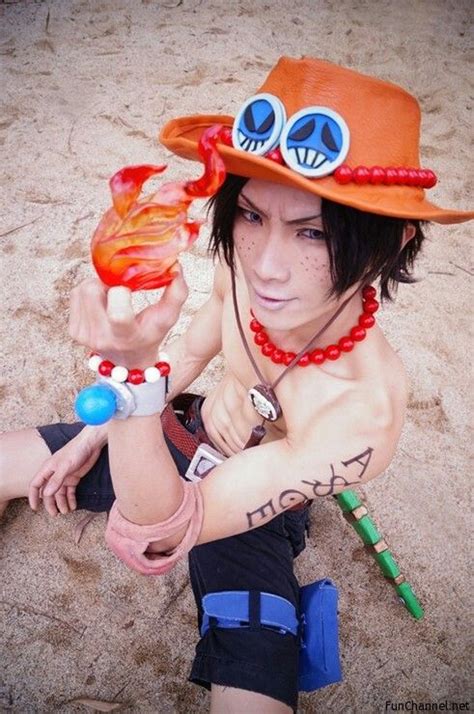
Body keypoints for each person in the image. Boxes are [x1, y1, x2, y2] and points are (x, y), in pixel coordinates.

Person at [0, 57, 472, 713]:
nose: (267, 264)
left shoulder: (359, 415)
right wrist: (94, 430)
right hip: (178, 429)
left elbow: (160, 531)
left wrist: (134, 374)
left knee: (254, 699)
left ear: (392, 245)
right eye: (250, 216)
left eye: (313, 232)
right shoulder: (240, 271)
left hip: (256, 504)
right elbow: (193, 355)